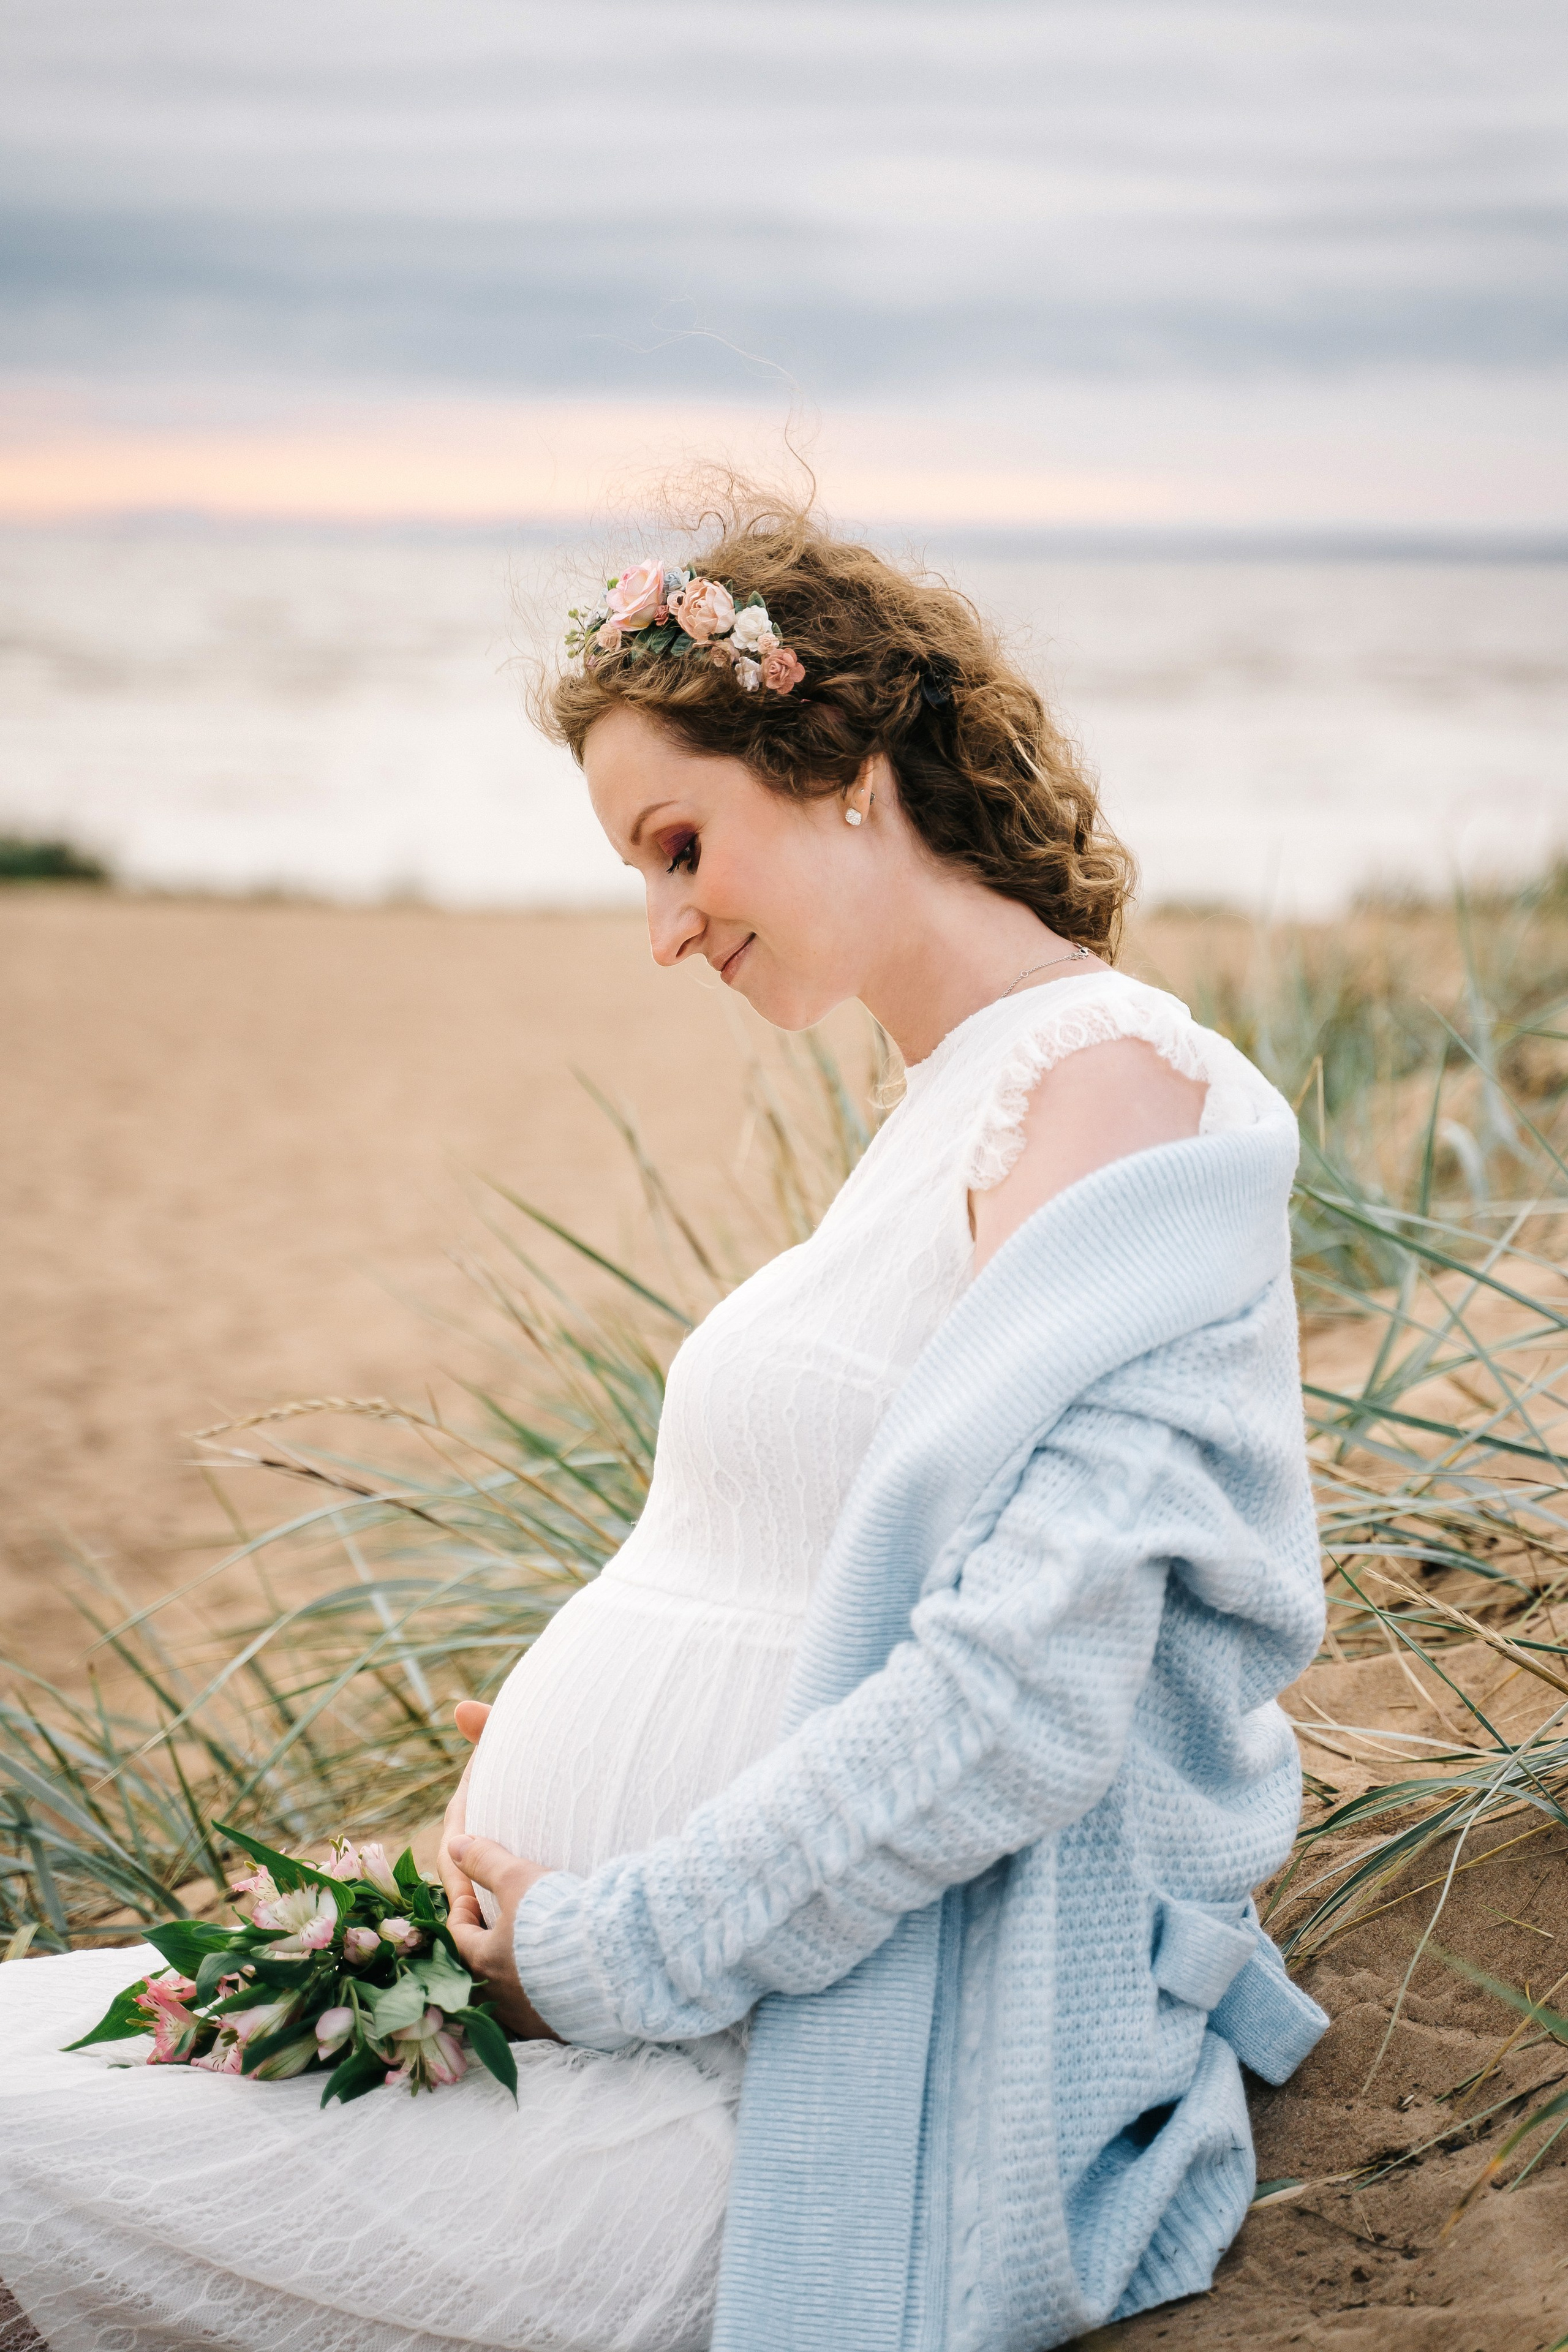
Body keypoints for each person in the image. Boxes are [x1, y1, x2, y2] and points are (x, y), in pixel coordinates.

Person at [0, 488, 1327, 2352]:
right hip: (623, 1995)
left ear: (847, 760)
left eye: (680, 843)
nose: (663, 926)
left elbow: (1023, 1696)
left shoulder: (1120, 1091)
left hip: (770, 2086)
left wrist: (601, 1939)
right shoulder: (947, 1110)